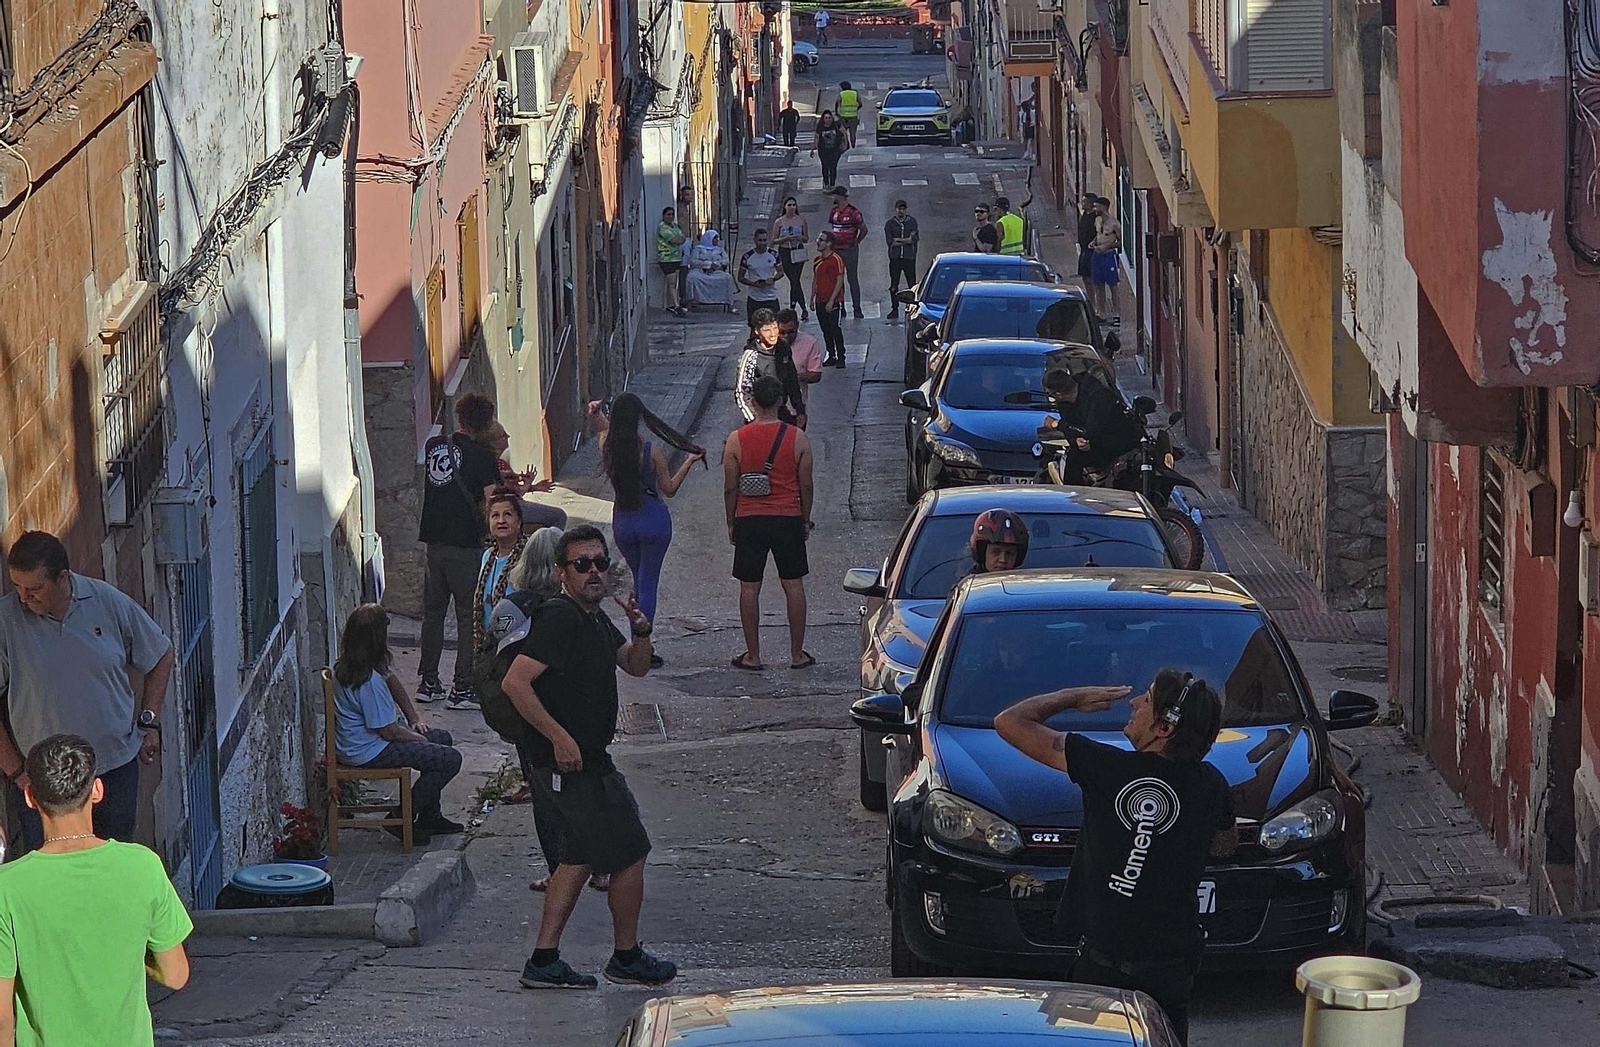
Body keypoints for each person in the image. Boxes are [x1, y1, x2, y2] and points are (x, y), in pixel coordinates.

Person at [993, 670, 1232, 1045]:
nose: (1135, 703)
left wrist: (1072, 695)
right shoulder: (1212, 784)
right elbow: (1224, 844)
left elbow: (1009, 722)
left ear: (1164, 729)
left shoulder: (1107, 768)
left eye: (1148, 700)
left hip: (1100, 974)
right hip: (1168, 977)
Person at [502, 525, 674, 990]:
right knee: (631, 849)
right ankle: (625, 956)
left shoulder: (594, 618)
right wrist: (559, 737)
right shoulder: (560, 618)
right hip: (569, 764)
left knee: (577, 858)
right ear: (562, 572)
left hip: (586, 760)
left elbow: (633, 665)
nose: (594, 572)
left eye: (600, 563)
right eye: (583, 565)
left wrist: (641, 630)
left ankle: (543, 960)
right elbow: (515, 683)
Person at [0, 734, 192, 1046]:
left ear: (30, 797)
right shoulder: (143, 867)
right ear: (98, 790)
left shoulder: (6, 887)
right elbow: (176, 975)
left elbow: (1, 1016)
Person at [0, 530, 174, 850]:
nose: (25, 599)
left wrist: (150, 721)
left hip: (113, 769)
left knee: (113, 863)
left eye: (35, 589)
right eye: (18, 588)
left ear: (62, 578)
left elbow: (161, 653)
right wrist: (15, 771)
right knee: (50, 876)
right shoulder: (6, 619)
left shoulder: (106, 601)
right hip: (42, 782)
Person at [332, 604, 465, 844]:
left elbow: (392, 681)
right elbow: (388, 731)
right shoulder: (368, 682)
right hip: (369, 751)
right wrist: (418, 739)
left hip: (366, 743)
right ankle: (402, 815)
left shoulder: (355, 665)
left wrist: (414, 720)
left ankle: (430, 817)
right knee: (450, 759)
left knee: (442, 739)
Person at [590, 393, 706, 640]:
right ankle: (643, 643)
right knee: (648, 583)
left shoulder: (607, 448)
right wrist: (689, 461)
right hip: (653, 519)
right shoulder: (650, 452)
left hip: (623, 522)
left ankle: (637, 640)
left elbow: (604, 432)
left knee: (639, 580)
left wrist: (597, 414)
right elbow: (669, 489)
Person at [418, 392, 507, 708]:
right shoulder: (483, 458)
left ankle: (428, 682)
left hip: (433, 542)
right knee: (469, 617)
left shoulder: (434, 447)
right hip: (465, 545)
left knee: (433, 614)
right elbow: (493, 503)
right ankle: (462, 687)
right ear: (484, 424)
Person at [723, 376, 815, 671]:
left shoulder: (736, 440)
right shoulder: (798, 438)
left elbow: (730, 487)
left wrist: (731, 522)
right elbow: (806, 485)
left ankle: (753, 655)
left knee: (749, 588)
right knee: (793, 585)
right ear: (780, 401)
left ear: (752, 402)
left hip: (750, 519)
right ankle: (797, 654)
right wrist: (805, 519)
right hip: (787, 517)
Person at [1042, 368, 1144, 480]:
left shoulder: (1097, 395)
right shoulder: (1064, 405)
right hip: (1095, 444)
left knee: (1074, 459)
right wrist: (1075, 440)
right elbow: (1073, 429)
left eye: (1050, 394)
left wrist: (1057, 424)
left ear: (1059, 394)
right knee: (1073, 455)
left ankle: (1075, 493)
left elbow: (1090, 430)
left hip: (1117, 443)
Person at [737, 309, 807, 425]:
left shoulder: (783, 347)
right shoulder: (751, 355)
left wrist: (800, 410)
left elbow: (792, 381)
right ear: (757, 332)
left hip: (780, 411)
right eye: (767, 330)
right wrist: (754, 421)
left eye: (775, 328)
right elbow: (743, 392)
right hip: (760, 415)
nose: (773, 334)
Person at [827, 185, 866, 318]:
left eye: (834, 195)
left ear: (840, 196)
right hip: (836, 250)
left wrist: (856, 241)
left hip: (850, 250)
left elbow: (864, 229)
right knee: (838, 279)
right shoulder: (834, 212)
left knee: (852, 279)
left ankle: (857, 308)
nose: (832, 198)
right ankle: (841, 307)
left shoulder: (854, 213)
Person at [811, 231, 848, 367]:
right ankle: (831, 354)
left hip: (834, 301)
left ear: (829, 244)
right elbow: (815, 280)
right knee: (825, 329)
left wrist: (832, 300)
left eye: (821, 240)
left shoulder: (836, 259)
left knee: (835, 328)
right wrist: (812, 298)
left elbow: (839, 280)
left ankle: (841, 356)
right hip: (820, 300)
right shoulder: (817, 260)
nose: (818, 242)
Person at [771, 197, 810, 318]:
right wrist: (785, 238)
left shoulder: (801, 220)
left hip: (798, 250)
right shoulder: (779, 222)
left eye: (794, 205)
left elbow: (806, 238)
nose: (792, 207)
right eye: (789, 205)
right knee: (794, 279)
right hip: (785, 251)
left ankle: (795, 308)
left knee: (795, 279)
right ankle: (801, 307)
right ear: (785, 207)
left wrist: (799, 236)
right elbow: (774, 239)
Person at [777, 309, 824, 407]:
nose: (786, 336)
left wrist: (793, 378)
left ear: (797, 326)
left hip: (796, 407)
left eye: (791, 332)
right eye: (782, 332)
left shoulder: (810, 343)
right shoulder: (769, 342)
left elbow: (816, 374)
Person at [884, 199, 920, 319]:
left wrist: (898, 239)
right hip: (895, 259)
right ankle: (894, 309)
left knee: (912, 285)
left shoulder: (912, 222)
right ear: (895, 210)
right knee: (894, 285)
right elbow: (890, 242)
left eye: (903, 209)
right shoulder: (890, 224)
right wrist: (906, 241)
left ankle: (912, 308)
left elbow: (914, 239)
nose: (901, 211)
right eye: (899, 209)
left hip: (909, 258)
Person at [738, 227, 783, 322]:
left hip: (771, 297)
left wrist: (773, 279)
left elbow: (781, 272)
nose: (762, 243)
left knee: (775, 325)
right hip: (754, 298)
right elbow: (740, 277)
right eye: (760, 240)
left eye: (764, 240)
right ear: (755, 240)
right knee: (753, 327)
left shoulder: (774, 254)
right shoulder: (747, 257)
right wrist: (753, 283)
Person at [969, 508, 1029, 577]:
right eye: (996, 552)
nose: (1003, 560)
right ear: (982, 554)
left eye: (1009, 553)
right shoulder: (968, 586)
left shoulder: (1027, 585)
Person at [1090, 197, 1123, 323]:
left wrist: (1106, 246)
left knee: (1113, 285)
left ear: (1104, 207)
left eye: (1097, 207)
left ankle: (1117, 313)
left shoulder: (1114, 223)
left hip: (1108, 256)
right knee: (1098, 284)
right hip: (1097, 255)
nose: (1095, 209)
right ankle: (1101, 312)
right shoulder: (1097, 220)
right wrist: (1093, 243)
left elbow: (1120, 242)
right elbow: (1098, 235)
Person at [685, 229, 737, 310]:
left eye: (717, 238)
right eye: (714, 238)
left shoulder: (720, 249)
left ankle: (729, 304)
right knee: (692, 278)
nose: (717, 240)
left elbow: (726, 260)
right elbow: (693, 261)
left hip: (717, 271)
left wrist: (716, 264)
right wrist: (708, 265)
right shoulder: (698, 249)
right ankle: (691, 302)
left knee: (728, 278)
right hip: (700, 270)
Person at [656, 206, 688, 317]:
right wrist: (679, 239)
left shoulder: (674, 226)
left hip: (676, 258)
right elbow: (675, 240)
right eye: (668, 214)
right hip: (667, 259)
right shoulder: (663, 227)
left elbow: (683, 236)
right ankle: (676, 305)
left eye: (672, 214)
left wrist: (680, 239)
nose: (670, 217)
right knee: (672, 283)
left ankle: (671, 304)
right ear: (664, 216)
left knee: (673, 283)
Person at [812, 111, 846, 188]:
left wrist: (845, 144)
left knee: (833, 167)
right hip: (823, 150)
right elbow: (817, 137)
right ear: (823, 119)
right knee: (825, 166)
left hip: (834, 150)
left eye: (829, 118)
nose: (828, 120)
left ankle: (832, 184)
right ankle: (826, 183)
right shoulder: (820, 126)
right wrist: (814, 148)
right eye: (826, 118)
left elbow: (844, 133)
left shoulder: (836, 125)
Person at [1076, 193, 1101, 286]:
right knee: (1084, 276)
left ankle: (1094, 298)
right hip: (1083, 249)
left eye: (1084, 202)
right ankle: (1090, 298)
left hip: (1092, 251)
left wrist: (1094, 242)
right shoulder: (1084, 215)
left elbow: (1100, 232)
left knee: (1092, 277)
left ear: (1091, 203)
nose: (1082, 203)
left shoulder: (1096, 217)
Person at [837, 81, 861, 148]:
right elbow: (860, 103)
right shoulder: (855, 93)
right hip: (853, 116)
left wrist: (837, 113)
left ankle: (846, 145)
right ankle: (853, 145)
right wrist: (856, 109)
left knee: (843, 133)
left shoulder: (841, 94)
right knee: (853, 133)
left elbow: (837, 103)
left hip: (843, 117)